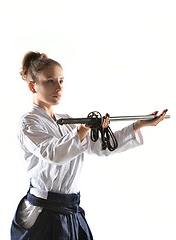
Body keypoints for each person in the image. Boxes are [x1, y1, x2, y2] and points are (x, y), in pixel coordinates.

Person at [10, 51, 167, 240]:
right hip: (44, 211)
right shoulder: (29, 123)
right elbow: (54, 153)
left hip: (70, 209)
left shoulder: (66, 121)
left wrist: (139, 125)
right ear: (32, 86)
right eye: (49, 81)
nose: (58, 88)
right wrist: (83, 129)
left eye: (61, 81)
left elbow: (103, 146)